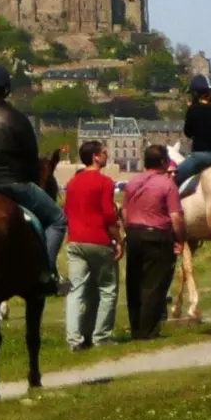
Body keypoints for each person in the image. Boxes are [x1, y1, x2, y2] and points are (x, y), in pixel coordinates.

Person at [0, 63, 69, 291]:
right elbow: (30, 159)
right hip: (14, 184)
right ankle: (45, 273)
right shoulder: (18, 119)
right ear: (6, 89)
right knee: (58, 219)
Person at [62, 139, 121, 350]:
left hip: (75, 240)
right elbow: (108, 213)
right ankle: (101, 336)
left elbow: (67, 211)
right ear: (96, 156)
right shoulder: (105, 182)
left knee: (76, 290)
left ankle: (74, 339)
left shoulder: (71, 183)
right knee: (107, 288)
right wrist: (119, 239)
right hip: (98, 239)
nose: (107, 155)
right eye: (104, 152)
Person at [122, 144, 185, 340]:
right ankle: (148, 330)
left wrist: (129, 231)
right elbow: (176, 217)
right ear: (164, 162)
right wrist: (180, 239)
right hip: (157, 235)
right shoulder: (167, 185)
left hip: (133, 233)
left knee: (135, 282)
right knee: (155, 284)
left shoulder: (132, 183)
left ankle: (136, 327)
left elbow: (124, 213)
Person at [173, 75, 211, 188]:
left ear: (195, 94)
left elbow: (188, 133)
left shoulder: (193, 110)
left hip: (200, 156)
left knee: (173, 178)